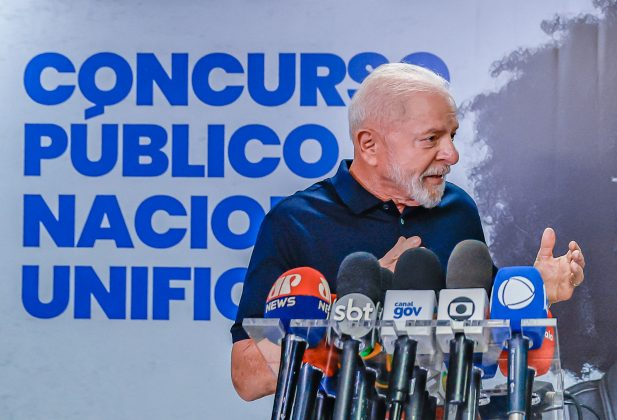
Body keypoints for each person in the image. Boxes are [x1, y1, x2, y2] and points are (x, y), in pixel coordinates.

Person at [229, 63, 586, 401]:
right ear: (369, 145)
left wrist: (535, 298)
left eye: (452, 136)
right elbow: (247, 376)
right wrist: (356, 306)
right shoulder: (294, 221)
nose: (452, 154)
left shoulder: (458, 208)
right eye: (431, 139)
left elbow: (485, 341)